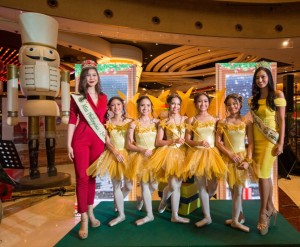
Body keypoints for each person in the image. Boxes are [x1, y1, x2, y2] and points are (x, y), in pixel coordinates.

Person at [67, 60, 107, 239]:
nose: (91, 78)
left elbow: (104, 121)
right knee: (82, 178)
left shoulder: (104, 97)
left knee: (92, 177)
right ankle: (83, 217)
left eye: (94, 75)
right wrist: (68, 144)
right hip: (81, 139)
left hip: (98, 140)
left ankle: (91, 211)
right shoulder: (77, 97)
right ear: (83, 78)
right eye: (88, 75)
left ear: (98, 78)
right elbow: (71, 120)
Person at [250, 64, 286, 235]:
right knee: (263, 176)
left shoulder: (277, 95)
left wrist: (281, 143)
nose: (260, 80)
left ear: (269, 78)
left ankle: (263, 213)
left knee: (264, 174)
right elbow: (249, 121)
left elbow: (282, 121)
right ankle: (271, 207)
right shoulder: (253, 99)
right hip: (257, 141)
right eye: (257, 78)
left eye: (263, 77)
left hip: (270, 141)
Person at [86, 96, 132, 227]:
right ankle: (121, 215)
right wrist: (116, 152)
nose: (116, 107)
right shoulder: (108, 122)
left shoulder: (130, 121)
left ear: (122, 106)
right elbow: (107, 141)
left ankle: (118, 201)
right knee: (116, 185)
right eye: (113, 105)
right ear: (109, 108)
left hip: (128, 155)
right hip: (113, 155)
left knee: (129, 185)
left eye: (118, 104)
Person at [185, 93, 227, 228]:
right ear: (195, 104)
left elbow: (219, 139)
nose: (202, 104)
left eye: (205, 101)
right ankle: (207, 216)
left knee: (213, 185)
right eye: (199, 101)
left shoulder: (216, 120)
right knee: (201, 185)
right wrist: (198, 142)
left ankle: (205, 200)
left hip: (213, 154)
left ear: (208, 103)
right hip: (197, 154)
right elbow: (187, 140)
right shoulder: (191, 120)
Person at [216, 93, 257, 232]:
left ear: (240, 105)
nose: (232, 106)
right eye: (229, 104)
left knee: (239, 190)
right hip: (228, 159)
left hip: (242, 158)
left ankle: (235, 220)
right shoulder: (222, 122)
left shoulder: (246, 121)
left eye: (235, 103)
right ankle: (238, 216)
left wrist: (248, 160)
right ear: (226, 107)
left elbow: (250, 143)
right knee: (234, 190)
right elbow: (218, 142)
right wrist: (229, 154)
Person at [151, 94, 190, 224]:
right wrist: (173, 140)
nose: (176, 106)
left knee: (177, 185)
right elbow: (158, 142)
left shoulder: (185, 119)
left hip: (183, 154)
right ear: (168, 105)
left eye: (178, 104)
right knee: (173, 185)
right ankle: (163, 201)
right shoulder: (164, 121)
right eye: (173, 103)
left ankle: (175, 215)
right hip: (169, 153)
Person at [126, 95, 159, 226]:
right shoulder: (133, 124)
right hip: (141, 157)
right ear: (138, 107)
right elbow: (129, 145)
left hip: (155, 157)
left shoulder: (157, 122)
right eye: (142, 105)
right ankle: (149, 214)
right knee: (144, 184)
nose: (145, 108)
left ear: (151, 107)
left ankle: (141, 199)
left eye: (148, 105)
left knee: (154, 186)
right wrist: (141, 150)